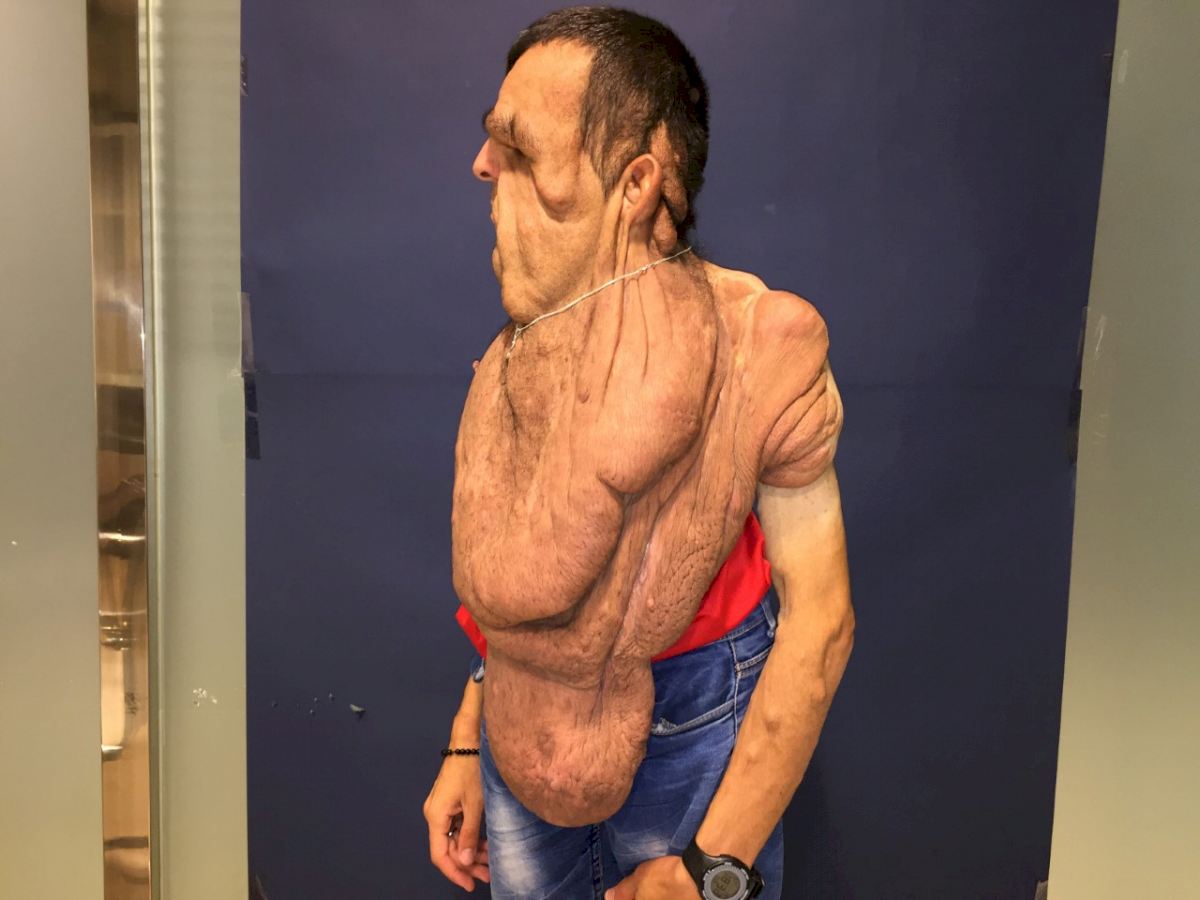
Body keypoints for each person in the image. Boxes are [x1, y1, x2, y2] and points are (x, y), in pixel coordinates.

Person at [423, 8, 854, 899]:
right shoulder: (518, 347)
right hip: (519, 737)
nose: (482, 165)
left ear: (636, 181)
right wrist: (469, 739)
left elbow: (823, 621)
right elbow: (517, 587)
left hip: (693, 721)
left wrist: (713, 864)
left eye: (517, 145)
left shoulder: (761, 347)